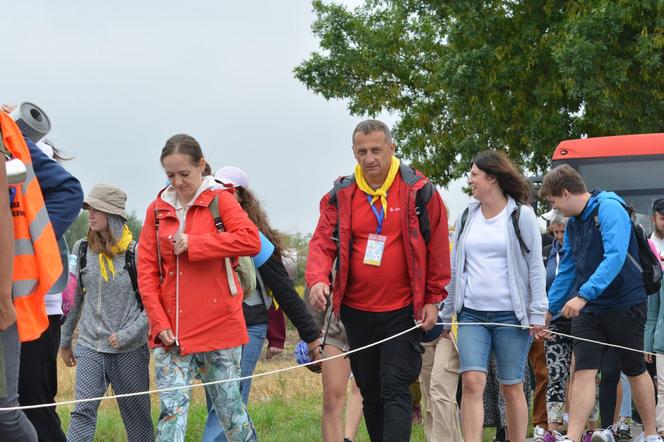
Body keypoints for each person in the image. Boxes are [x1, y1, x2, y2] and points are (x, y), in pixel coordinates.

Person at [307, 119, 450, 441]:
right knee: (370, 390)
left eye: (376, 150)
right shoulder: (341, 194)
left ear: (392, 148)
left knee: (395, 385)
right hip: (356, 311)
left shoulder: (419, 190)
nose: (370, 158)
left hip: (402, 310)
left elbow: (438, 246)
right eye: (362, 152)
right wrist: (317, 278)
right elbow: (321, 242)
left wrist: (433, 297)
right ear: (354, 154)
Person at [138, 134, 260, 442]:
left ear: (201, 165)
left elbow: (250, 241)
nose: (177, 182)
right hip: (171, 333)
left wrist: (197, 244)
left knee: (230, 413)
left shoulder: (221, 200)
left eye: (184, 174)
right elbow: (147, 273)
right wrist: (159, 322)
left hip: (219, 327)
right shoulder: (155, 210)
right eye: (170, 175)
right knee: (171, 413)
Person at [540, 164, 660, 442]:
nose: (554, 207)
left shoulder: (609, 208)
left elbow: (615, 256)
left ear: (566, 192)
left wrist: (583, 295)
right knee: (583, 368)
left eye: (553, 200)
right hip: (591, 308)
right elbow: (567, 268)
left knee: (633, 368)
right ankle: (572, 436)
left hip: (625, 302)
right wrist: (549, 309)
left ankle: (652, 435)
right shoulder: (572, 224)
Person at [201, 166, 320, 442]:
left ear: (240, 197)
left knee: (229, 405)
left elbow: (282, 289)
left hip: (249, 325)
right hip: (212, 328)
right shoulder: (200, 229)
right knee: (218, 406)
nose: (221, 197)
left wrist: (311, 337)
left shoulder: (251, 234)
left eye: (228, 191)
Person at [440, 150, 547, 442]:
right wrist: (444, 313)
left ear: (492, 177)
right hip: (471, 314)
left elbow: (536, 267)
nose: (470, 180)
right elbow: (454, 267)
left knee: (511, 386)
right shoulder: (466, 215)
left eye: (474, 174)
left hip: (511, 316)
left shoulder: (521, 215)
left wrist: (537, 313)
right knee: (472, 382)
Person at [59, 184, 152, 441]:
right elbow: (74, 299)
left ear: (112, 214)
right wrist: (65, 342)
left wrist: (127, 335)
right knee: (82, 412)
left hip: (129, 349)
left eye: (96, 209)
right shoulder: (81, 249)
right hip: (90, 345)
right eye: (89, 208)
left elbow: (152, 307)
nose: (90, 214)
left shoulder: (136, 253)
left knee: (137, 418)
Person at [0, 109, 64, 441]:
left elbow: (68, 192)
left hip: (23, 306)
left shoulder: (9, 137)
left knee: (15, 412)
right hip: (19, 304)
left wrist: (38, 248)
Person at [18, 137, 82, 442]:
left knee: (35, 405)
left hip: (39, 310)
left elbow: (69, 192)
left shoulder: (26, 154)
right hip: (19, 307)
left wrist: (30, 248)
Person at [305, 285, 364, 442]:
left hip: (379, 328)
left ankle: (349, 437)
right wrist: (312, 334)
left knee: (365, 390)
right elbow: (316, 281)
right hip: (337, 330)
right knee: (331, 398)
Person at [645, 198, 664, 437]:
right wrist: (646, 344)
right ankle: (660, 428)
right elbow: (652, 313)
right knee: (662, 387)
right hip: (661, 340)